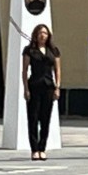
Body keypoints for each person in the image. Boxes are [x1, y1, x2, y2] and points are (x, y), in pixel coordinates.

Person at [22, 23, 61, 161]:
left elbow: (57, 70)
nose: (42, 36)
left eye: (45, 33)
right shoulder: (29, 50)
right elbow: (25, 70)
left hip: (48, 86)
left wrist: (57, 87)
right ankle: (34, 149)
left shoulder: (53, 50)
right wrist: (26, 88)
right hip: (34, 86)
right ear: (35, 35)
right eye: (40, 33)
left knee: (45, 118)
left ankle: (42, 148)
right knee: (33, 118)